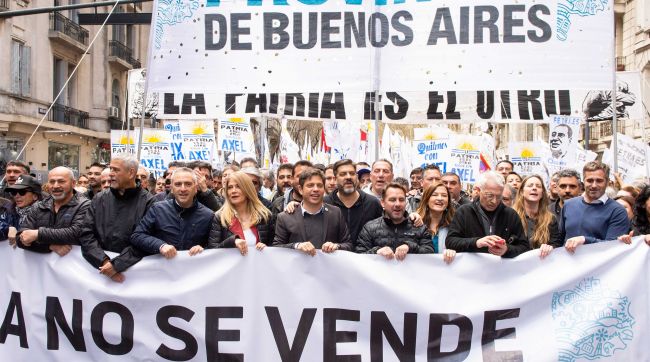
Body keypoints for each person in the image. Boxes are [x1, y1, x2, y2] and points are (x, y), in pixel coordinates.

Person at [80, 153, 155, 283]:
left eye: (116, 170)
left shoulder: (149, 202)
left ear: (131, 173)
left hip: (134, 277)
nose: (111, 174)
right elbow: (86, 233)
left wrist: (118, 264)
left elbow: (147, 239)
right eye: (111, 169)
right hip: (98, 272)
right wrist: (104, 261)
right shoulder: (100, 199)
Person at [131, 168, 213, 258]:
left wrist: (203, 249)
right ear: (172, 189)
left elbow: (214, 248)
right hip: (162, 270)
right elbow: (137, 236)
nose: (183, 189)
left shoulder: (208, 215)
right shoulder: (157, 209)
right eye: (178, 184)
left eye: (188, 184)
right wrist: (160, 246)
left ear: (196, 188)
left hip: (193, 270)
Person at [446, 171, 529, 258]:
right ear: (478, 191)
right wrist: (476, 243)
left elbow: (524, 247)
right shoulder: (464, 212)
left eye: (499, 196)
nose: (494, 201)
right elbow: (450, 242)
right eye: (489, 195)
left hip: (501, 269)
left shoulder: (511, 214)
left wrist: (506, 249)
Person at [273, 169, 352, 255]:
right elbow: (277, 248)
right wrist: (296, 246)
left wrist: (336, 246)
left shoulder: (335, 213)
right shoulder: (285, 217)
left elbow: (349, 245)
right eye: (310, 185)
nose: (315, 189)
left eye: (319, 185)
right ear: (300, 189)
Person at [16, 167, 90, 256]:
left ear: (73, 183)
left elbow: (76, 233)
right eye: (51, 182)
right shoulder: (39, 206)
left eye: (61, 181)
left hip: (74, 268)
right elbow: (21, 238)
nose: (55, 186)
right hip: (41, 269)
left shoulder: (85, 205)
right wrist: (49, 246)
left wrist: (38, 234)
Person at [561, 162, 630, 253]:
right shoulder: (569, 205)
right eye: (589, 180)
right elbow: (560, 239)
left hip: (600, 266)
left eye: (599, 181)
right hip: (568, 264)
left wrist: (585, 240)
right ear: (583, 182)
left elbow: (613, 247)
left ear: (607, 182)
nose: (594, 185)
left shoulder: (617, 211)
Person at [356, 183, 434, 259]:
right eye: (392, 200)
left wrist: (410, 247)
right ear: (382, 203)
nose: (397, 204)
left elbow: (430, 254)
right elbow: (359, 257)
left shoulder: (418, 226)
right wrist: (376, 251)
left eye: (401, 200)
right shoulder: (370, 228)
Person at [208, 171, 275, 254]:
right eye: (230, 187)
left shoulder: (264, 216)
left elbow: (275, 246)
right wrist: (232, 242)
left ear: (247, 189)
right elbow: (212, 251)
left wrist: (266, 248)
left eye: (238, 186)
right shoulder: (220, 217)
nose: (233, 191)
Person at [324, 159, 383, 246]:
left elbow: (382, 234)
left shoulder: (373, 203)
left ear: (356, 177)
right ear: (335, 179)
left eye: (352, 173)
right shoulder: (324, 203)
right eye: (343, 174)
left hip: (366, 257)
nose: (348, 177)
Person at [512, 175, 562, 258]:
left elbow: (556, 244)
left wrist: (551, 247)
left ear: (542, 193)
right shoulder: (512, 216)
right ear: (521, 192)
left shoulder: (550, 219)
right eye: (530, 185)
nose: (534, 188)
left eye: (538, 186)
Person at [415, 182, 456, 263]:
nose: (440, 198)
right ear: (426, 199)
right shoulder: (414, 222)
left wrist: (454, 251)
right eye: (435, 195)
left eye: (444, 195)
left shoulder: (455, 225)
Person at [4, 175, 42, 246]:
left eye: (22, 192)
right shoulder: (10, 211)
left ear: (35, 196)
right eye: (14, 192)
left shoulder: (46, 214)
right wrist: (7, 228)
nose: (17, 196)